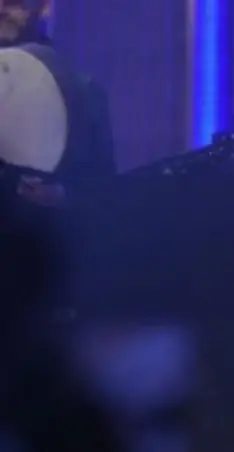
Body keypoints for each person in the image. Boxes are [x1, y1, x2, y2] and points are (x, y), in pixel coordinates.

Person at [0, 1, 119, 450]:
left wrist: (63, 198)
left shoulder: (83, 91)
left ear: (45, 5)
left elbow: (106, 201)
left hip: (41, 305)